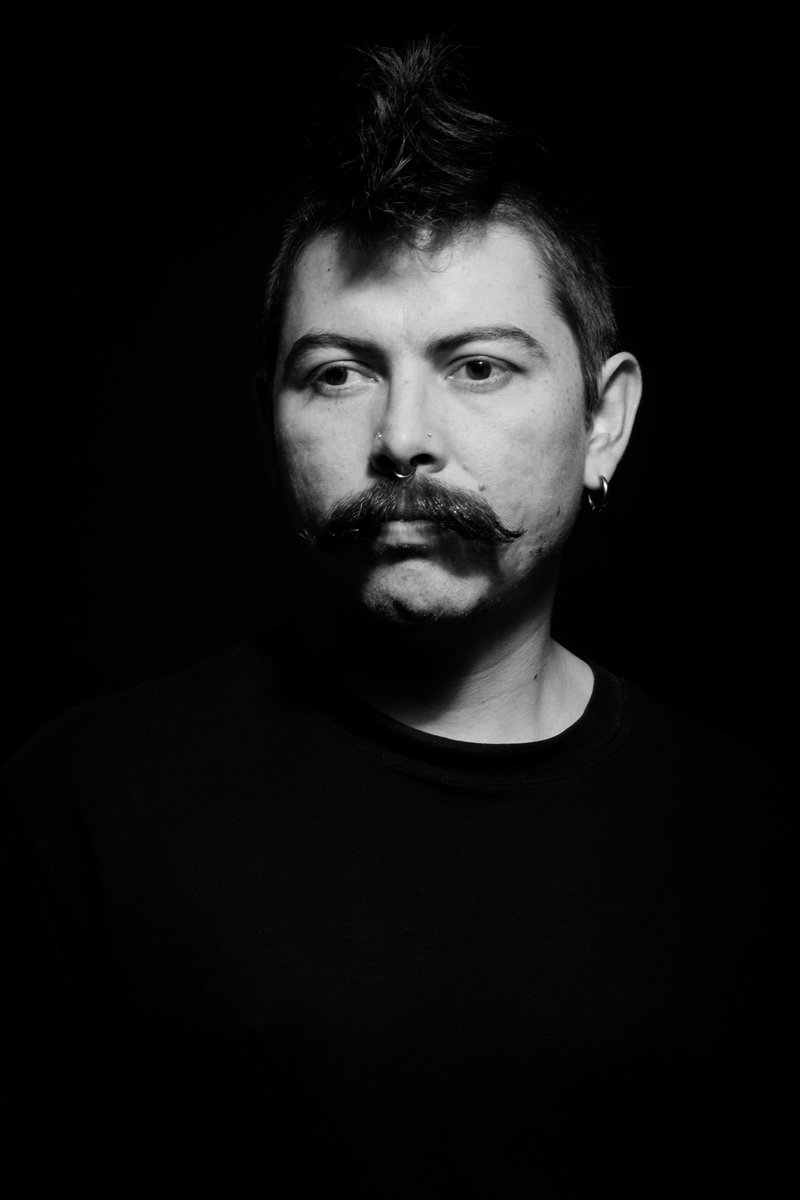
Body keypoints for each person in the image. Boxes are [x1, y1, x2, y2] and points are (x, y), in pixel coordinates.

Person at [1, 40, 792, 1198]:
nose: (402, 437)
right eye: (337, 373)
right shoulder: (84, 814)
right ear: (269, 418)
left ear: (604, 422)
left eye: (477, 367)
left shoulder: (762, 849)